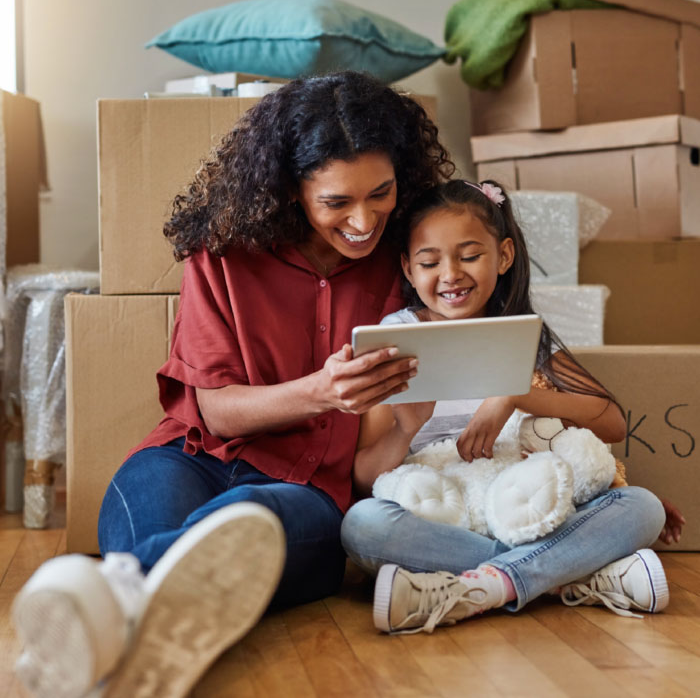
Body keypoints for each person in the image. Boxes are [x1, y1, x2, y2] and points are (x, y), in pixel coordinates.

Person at [12, 71, 454, 698]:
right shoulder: (223, 252)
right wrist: (323, 391)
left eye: (380, 193)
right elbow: (214, 412)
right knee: (167, 538)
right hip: (187, 458)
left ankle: (94, 611)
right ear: (290, 190)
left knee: (245, 520)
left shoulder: (412, 257)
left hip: (305, 494)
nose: (364, 220)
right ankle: (127, 650)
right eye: (336, 203)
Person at [340, 178, 685, 634]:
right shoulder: (395, 337)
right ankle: (570, 577)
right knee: (362, 525)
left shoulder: (523, 334)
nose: (450, 275)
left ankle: (476, 588)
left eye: (469, 256)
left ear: (503, 255)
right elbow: (366, 477)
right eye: (429, 261)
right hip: (445, 522)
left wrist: (512, 393)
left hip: (527, 508)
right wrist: (407, 429)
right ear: (408, 267)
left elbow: (612, 421)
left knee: (642, 507)